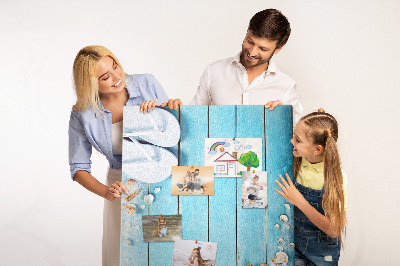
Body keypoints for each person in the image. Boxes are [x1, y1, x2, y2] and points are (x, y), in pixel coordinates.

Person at [68, 45, 176, 266]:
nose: (117, 78)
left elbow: (175, 135)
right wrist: (107, 192)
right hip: (121, 188)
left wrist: (170, 110)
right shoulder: (82, 113)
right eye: (105, 77)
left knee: (162, 250)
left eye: (116, 66)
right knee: (126, 254)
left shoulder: (147, 83)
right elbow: (78, 168)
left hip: (161, 181)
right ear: (90, 84)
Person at [190, 9, 303, 124]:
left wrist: (283, 118)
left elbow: (298, 136)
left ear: (278, 49)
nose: (252, 52)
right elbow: (194, 119)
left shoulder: (286, 86)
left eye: (262, 49)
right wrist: (175, 111)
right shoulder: (214, 71)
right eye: (250, 41)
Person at [275, 108, 347, 265]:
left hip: (323, 254)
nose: (292, 141)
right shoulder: (301, 159)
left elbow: (334, 230)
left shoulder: (335, 178)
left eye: (298, 140)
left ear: (317, 149)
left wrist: (299, 201)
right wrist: (277, 108)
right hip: (296, 247)